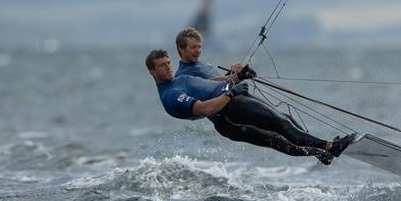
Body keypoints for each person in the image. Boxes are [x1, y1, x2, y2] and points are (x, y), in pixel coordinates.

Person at [146, 49, 354, 165]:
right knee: (280, 127)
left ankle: (321, 152)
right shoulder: (171, 96)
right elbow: (205, 109)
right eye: (162, 66)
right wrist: (230, 94)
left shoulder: (180, 78)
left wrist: (237, 77)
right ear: (153, 72)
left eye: (168, 62)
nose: (168, 67)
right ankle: (329, 147)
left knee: (281, 128)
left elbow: (215, 81)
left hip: (233, 106)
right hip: (231, 112)